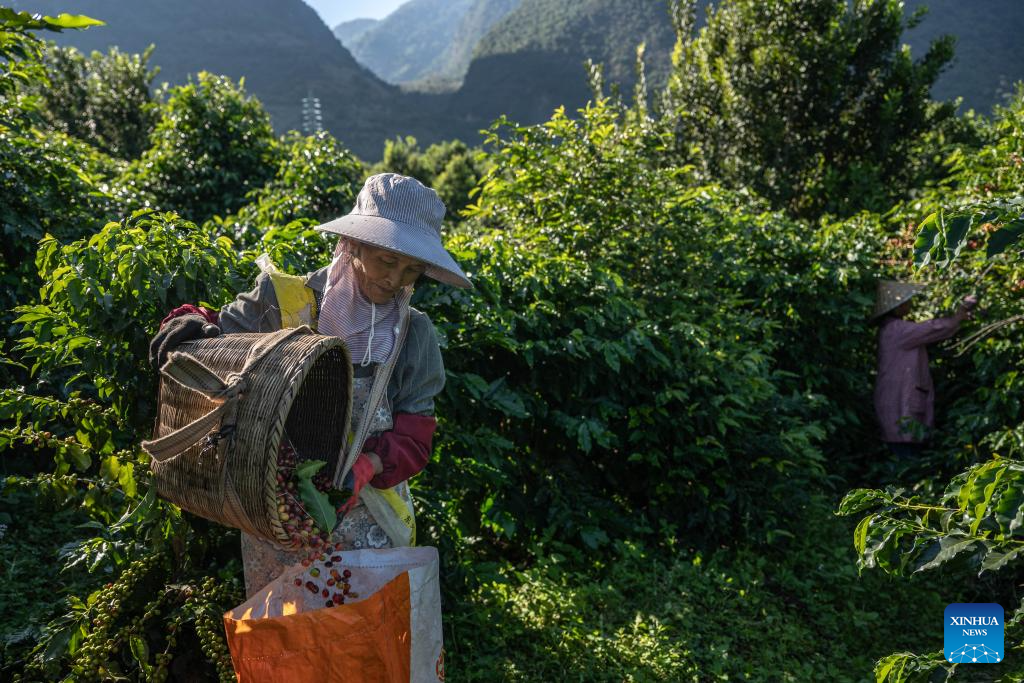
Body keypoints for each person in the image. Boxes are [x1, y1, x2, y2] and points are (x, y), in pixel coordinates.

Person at [149, 173, 472, 596]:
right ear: (354, 244)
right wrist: (190, 323)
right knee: (287, 625)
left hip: (372, 520)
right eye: (387, 261)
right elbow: (221, 336)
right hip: (278, 512)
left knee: (363, 627)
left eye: (412, 269)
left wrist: (369, 465)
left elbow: (416, 434)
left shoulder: (413, 333)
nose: (395, 280)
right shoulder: (284, 300)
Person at [872, 280, 977, 464]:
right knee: (907, 460)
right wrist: (958, 315)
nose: (910, 304)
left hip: (896, 405)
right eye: (906, 301)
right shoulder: (897, 330)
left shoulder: (892, 329)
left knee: (905, 457)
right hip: (900, 407)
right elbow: (932, 329)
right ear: (897, 307)